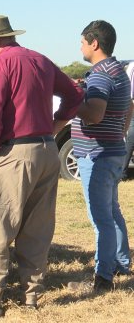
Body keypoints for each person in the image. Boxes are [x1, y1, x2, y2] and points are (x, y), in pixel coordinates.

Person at [0, 15, 84, 318]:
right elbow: (75, 93)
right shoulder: (40, 59)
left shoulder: (0, 65)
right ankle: (31, 296)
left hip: (14, 154)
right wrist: (55, 125)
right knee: (36, 227)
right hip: (47, 150)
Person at [67, 20, 132, 293]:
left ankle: (103, 278)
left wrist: (74, 100)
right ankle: (120, 263)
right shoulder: (118, 70)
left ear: (94, 43)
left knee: (100, 218)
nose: (80, 46)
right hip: (113, 149)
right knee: (112, 212)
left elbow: (93, 114)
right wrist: (120, 131)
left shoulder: (102, 74)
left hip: (97, 155)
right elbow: (129, 106)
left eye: (82, 41)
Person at [121, 61, 134, 179]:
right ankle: (122, 172)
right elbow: (129, 89)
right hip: (132, 105)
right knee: (131, 138)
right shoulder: (132, 66)